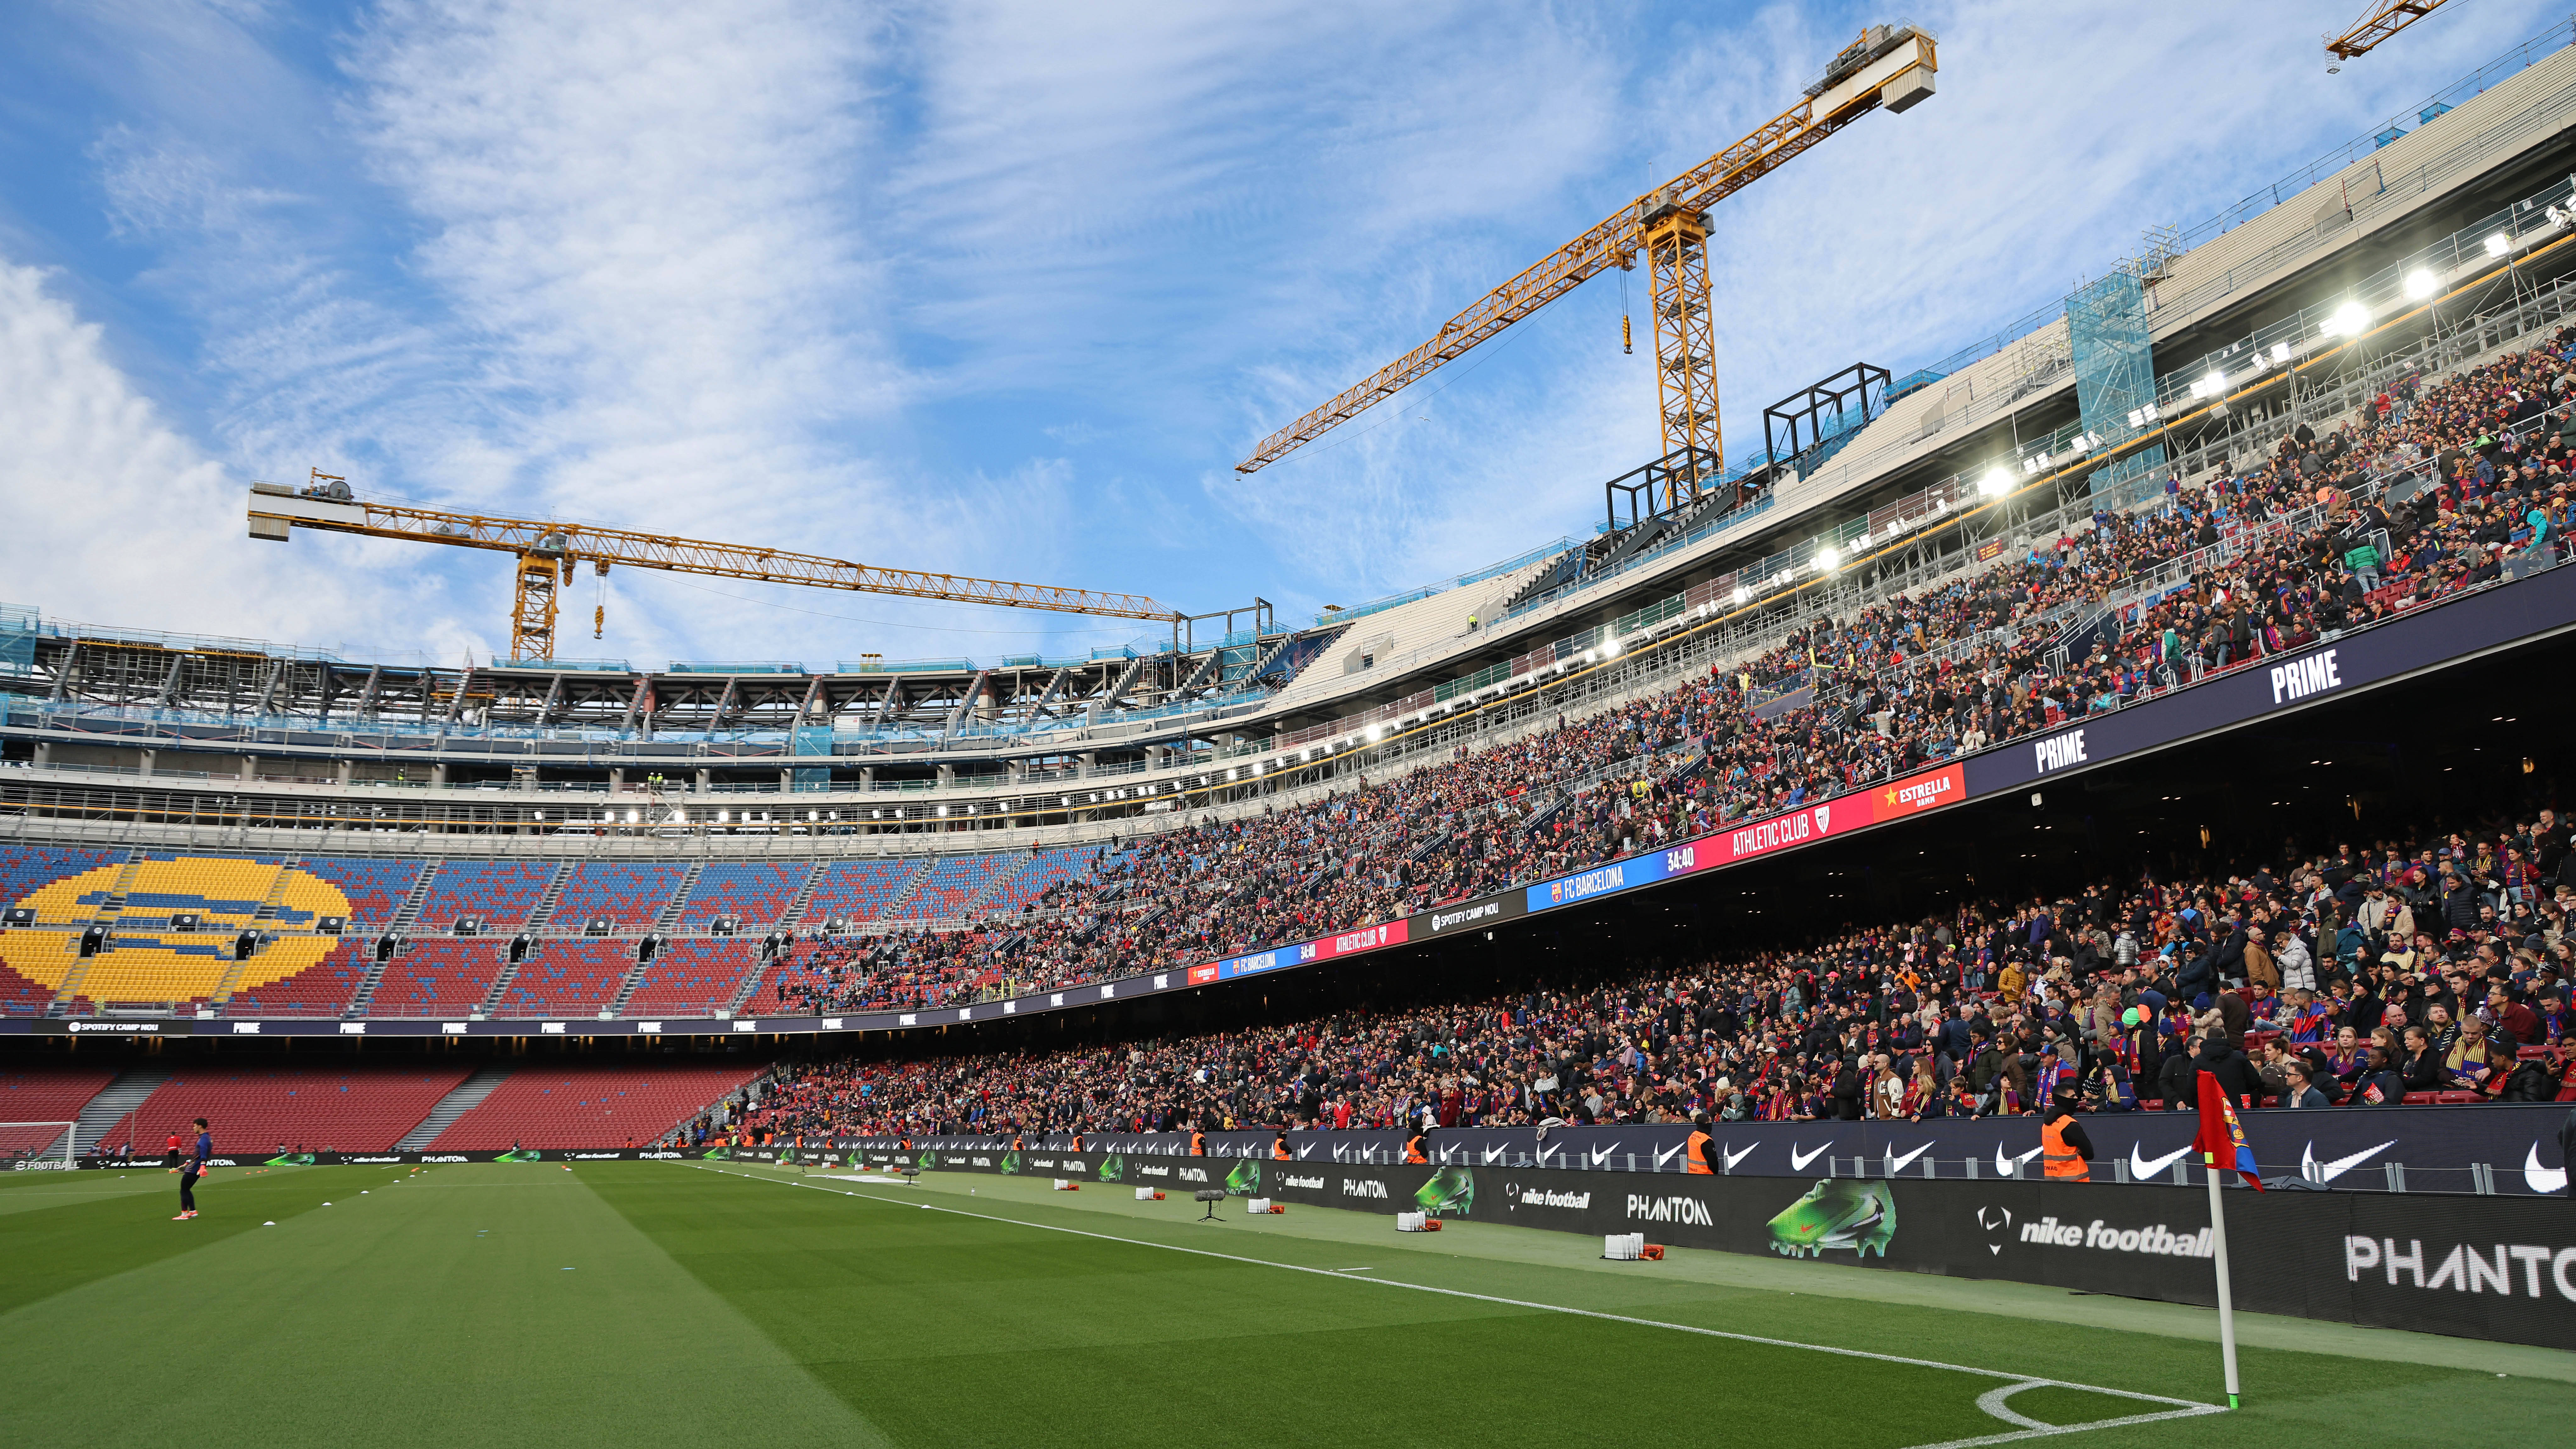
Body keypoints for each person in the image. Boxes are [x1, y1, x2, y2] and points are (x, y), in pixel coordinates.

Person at [2040, 1098, 2094, 1182]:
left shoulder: (2045, 1126)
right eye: (2073, 1096)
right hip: (2077, 1182)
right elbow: (2089, 1154)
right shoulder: (2069, 1124)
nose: (2076, 1098)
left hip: (2053, 1180)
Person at [175, 1118, 209, 1221]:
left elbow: (203, 1154)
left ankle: (184, 1214)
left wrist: (203, 1166)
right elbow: (197, 1155)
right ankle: (193, 1211)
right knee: (187, 1189)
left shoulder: (203, 1139)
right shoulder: (206, 1138)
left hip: (194, 1169)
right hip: (194, 1167)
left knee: (184, 1190)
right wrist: (186, 1164)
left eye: (195, 1126)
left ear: (200, 1126)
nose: (193, 1128)